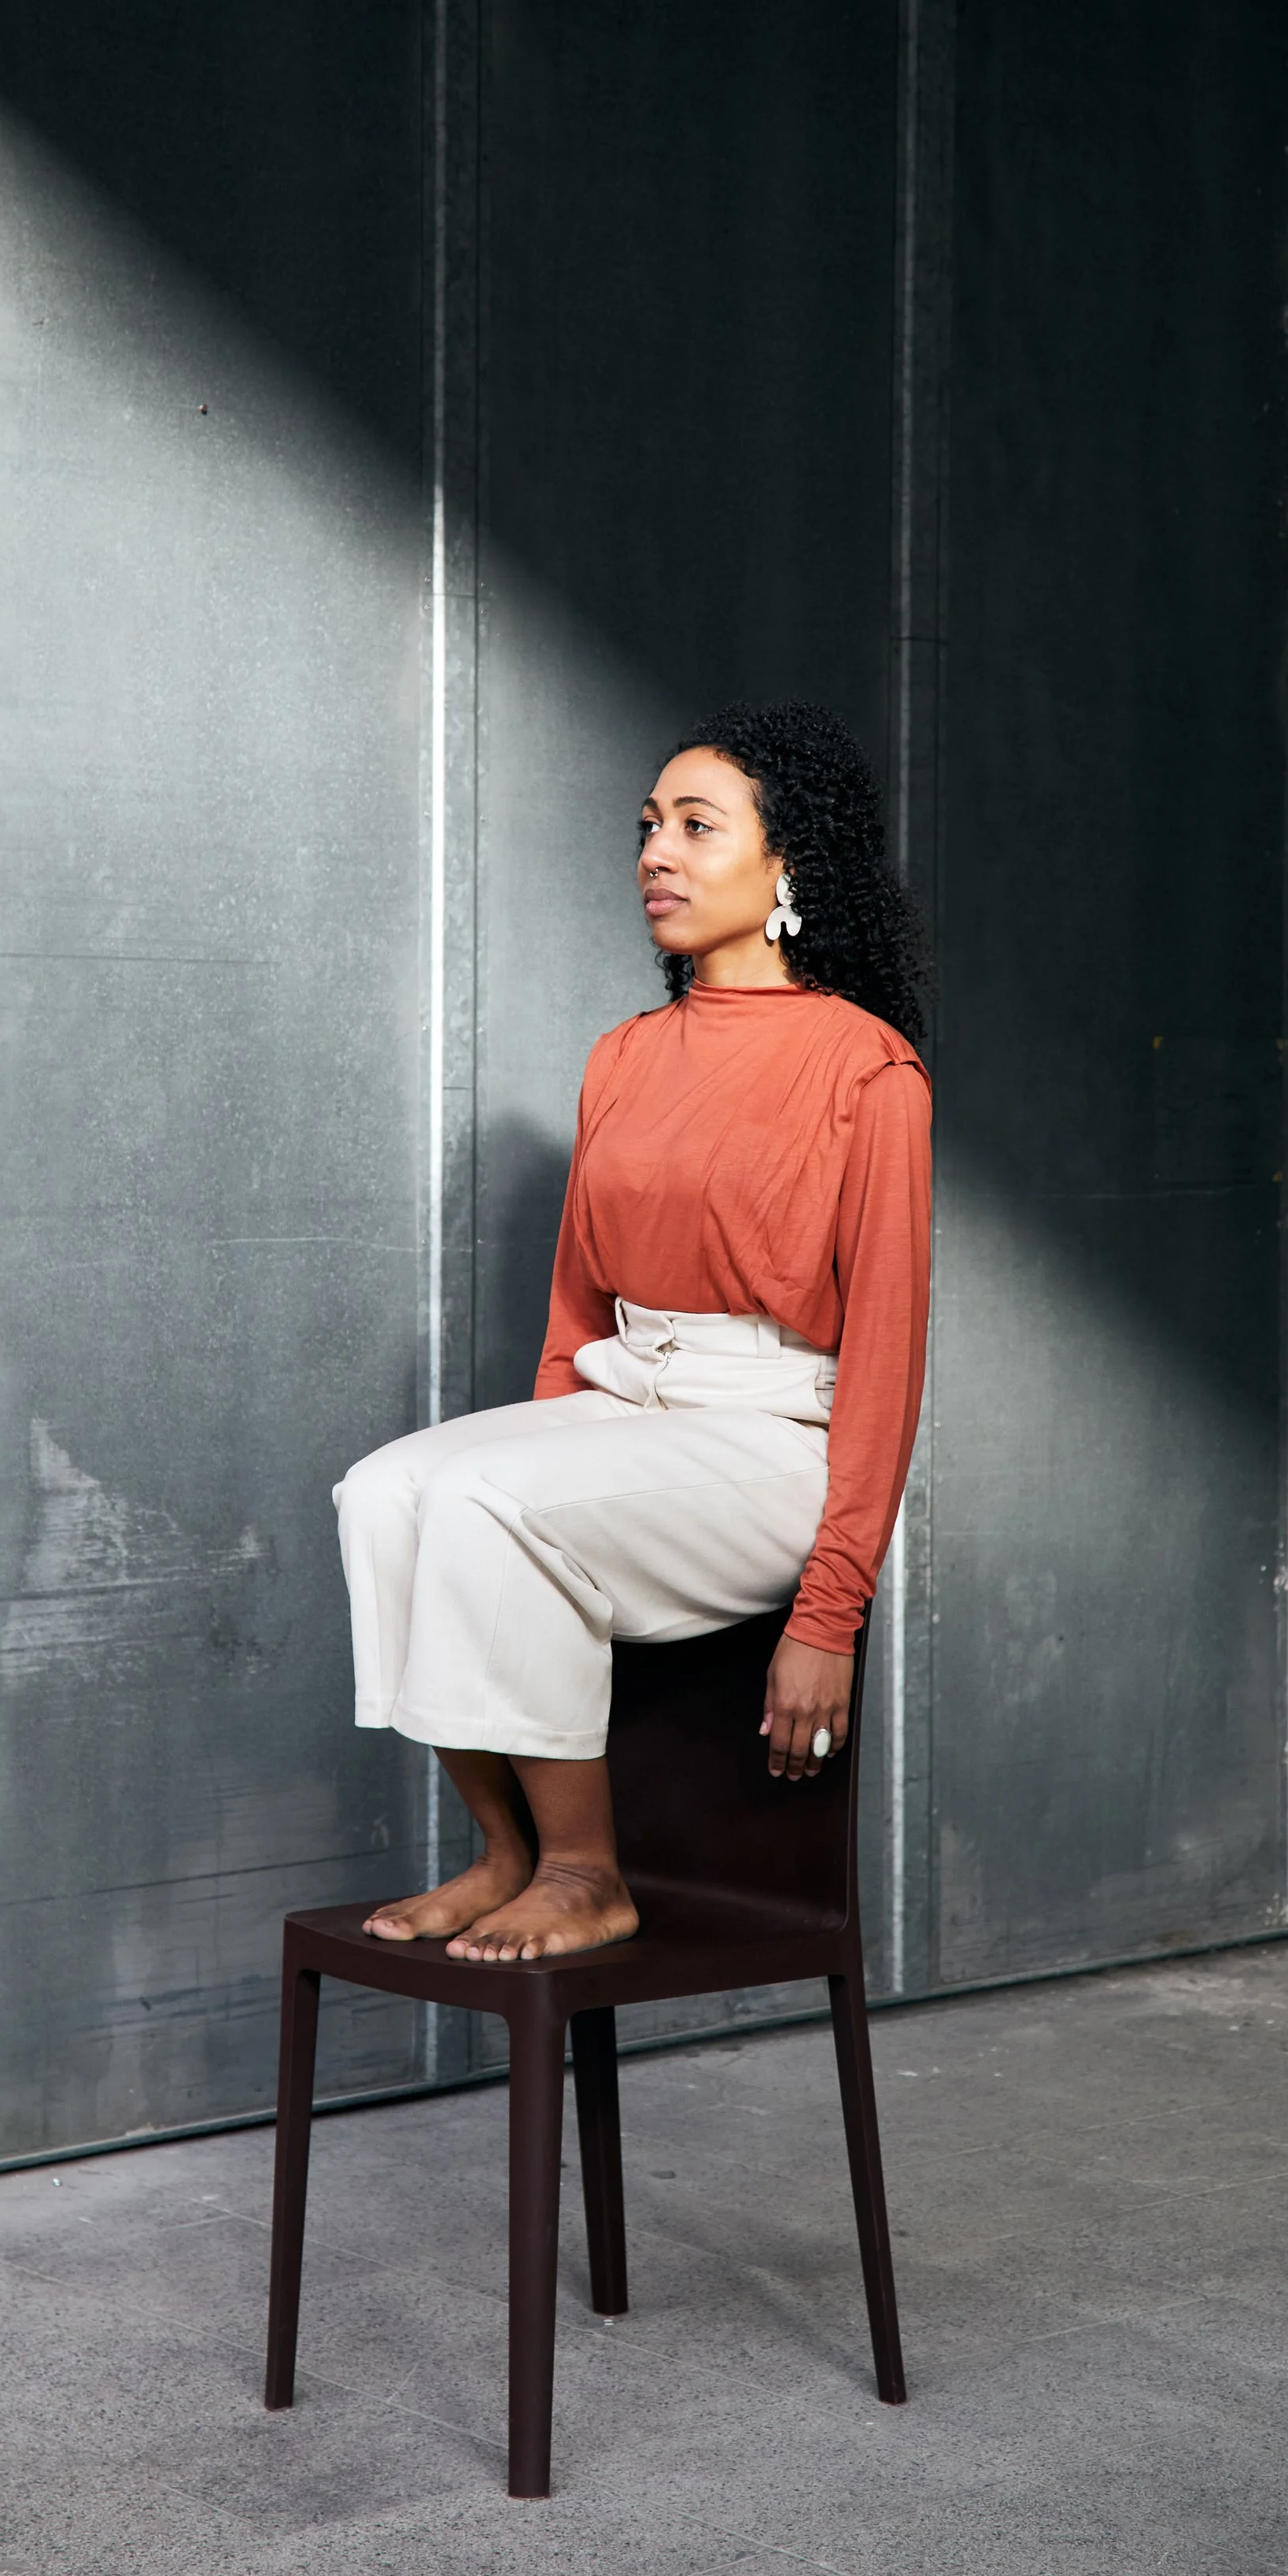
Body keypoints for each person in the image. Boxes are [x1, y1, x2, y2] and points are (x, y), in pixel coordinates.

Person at [335, 701, 932, 1964]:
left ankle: (587, 1873)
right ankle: (505, 1850)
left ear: (788, 863)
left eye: (698, 827)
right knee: (384, 1493)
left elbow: (887, 1356)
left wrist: (831, 1611)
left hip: (776, 1434)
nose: (657, 851)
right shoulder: (623, 1056)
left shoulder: (867, 1068)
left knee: (488, 1504)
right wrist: (551, 1457)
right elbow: (576, 1305)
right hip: (630, 1399)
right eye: (650, 825)